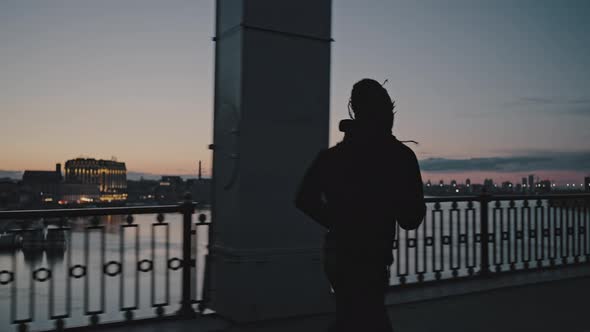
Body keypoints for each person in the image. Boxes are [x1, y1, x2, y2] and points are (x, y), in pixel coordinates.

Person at [295, 78, 426, 331]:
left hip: (337, 253)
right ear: (388, 112)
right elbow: (410, 219)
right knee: (367, 317)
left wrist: (336, 221)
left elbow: (304, 199)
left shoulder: (331, 157)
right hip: (372, 258)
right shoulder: (399, 157)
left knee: (351, 314)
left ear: (355, 110)